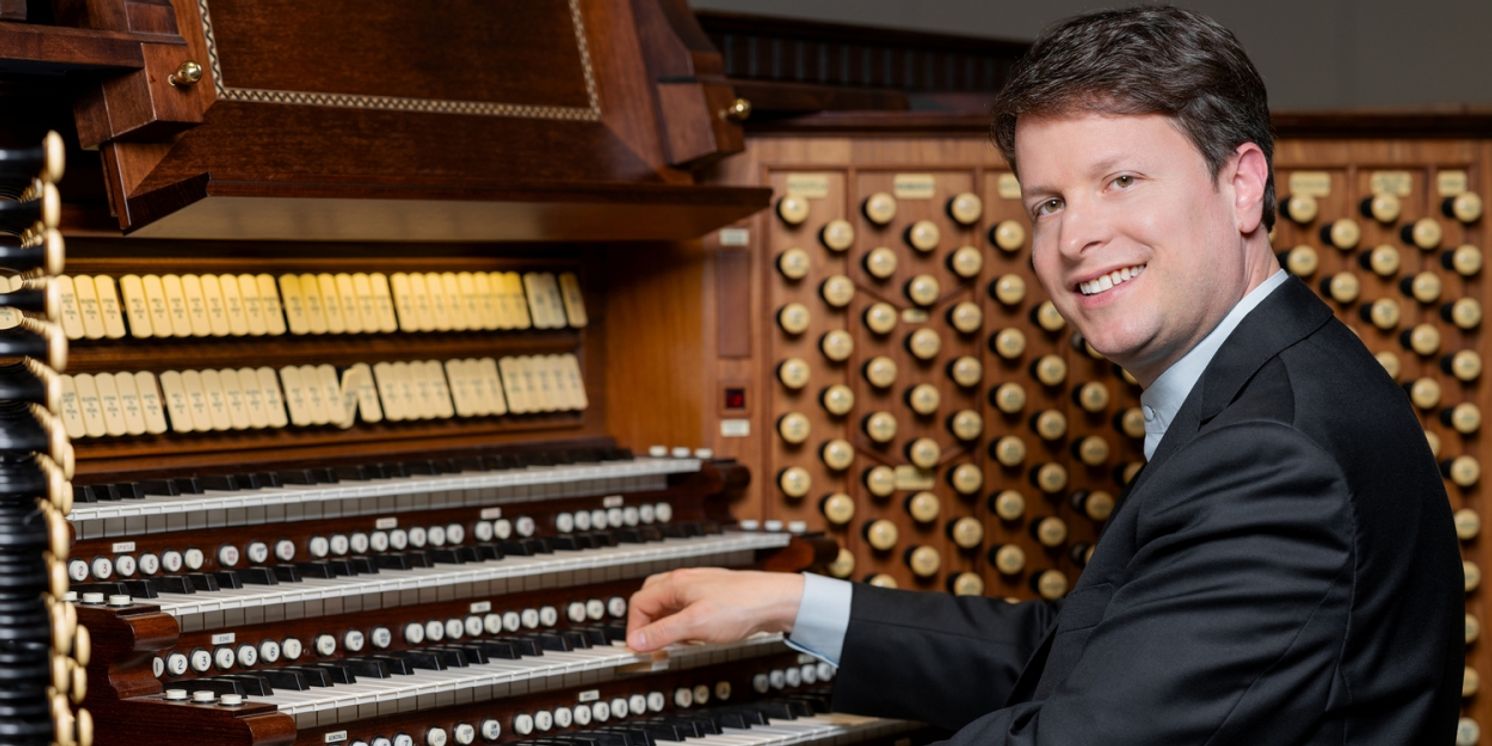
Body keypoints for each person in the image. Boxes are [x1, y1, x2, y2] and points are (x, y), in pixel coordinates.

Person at [627, 6, 1463, 743]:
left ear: (1242, 185)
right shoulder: (1280, 373)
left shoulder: (1274, 456)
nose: (1074, 238)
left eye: (1121, 181)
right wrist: (793, 604)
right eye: (1048, 204)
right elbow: (1087, 659)